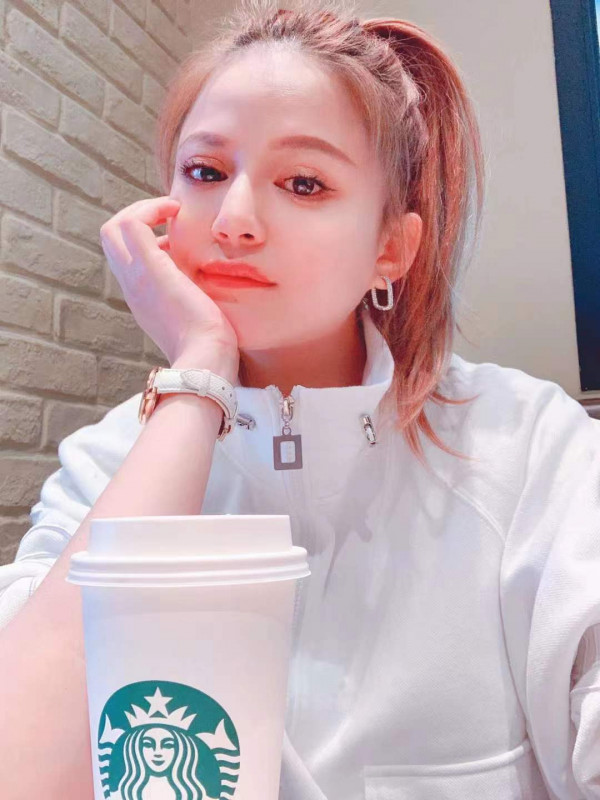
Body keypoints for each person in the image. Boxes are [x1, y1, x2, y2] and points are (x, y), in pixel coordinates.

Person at [0, 0, 599, 797]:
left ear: (391, 248)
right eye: (206, 172)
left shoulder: (529, 449)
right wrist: (199, 380)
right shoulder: (109, 466)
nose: (234, 221)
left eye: (304, 183)